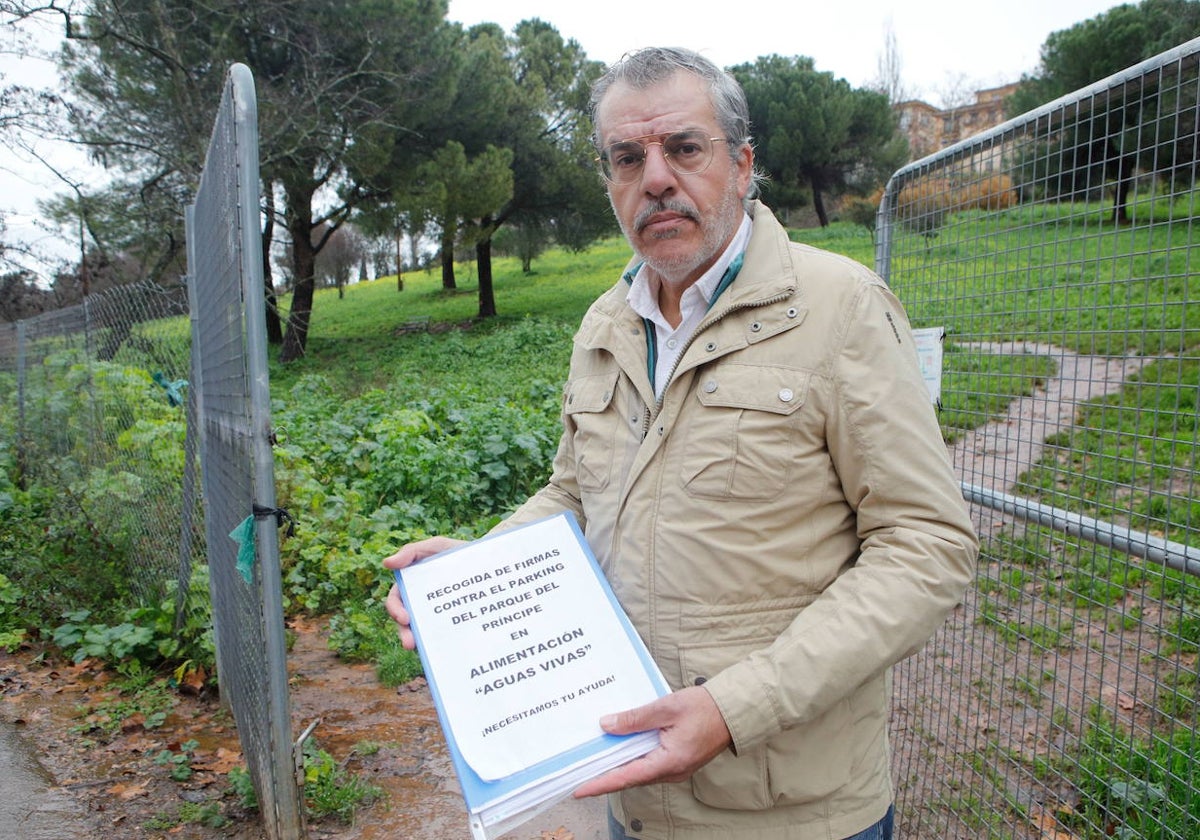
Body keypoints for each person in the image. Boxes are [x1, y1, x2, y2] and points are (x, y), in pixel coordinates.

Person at [385, 46, 978, 840]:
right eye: (627, 157)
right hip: (633, 797)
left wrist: (737, 709)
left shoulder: (841, 309)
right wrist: (476, 582)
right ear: (608, 182)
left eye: (684, 149)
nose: (655, 177)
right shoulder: (607, 323)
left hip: (790, 813)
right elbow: (575, 493)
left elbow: (926, 545)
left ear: (741, 165)